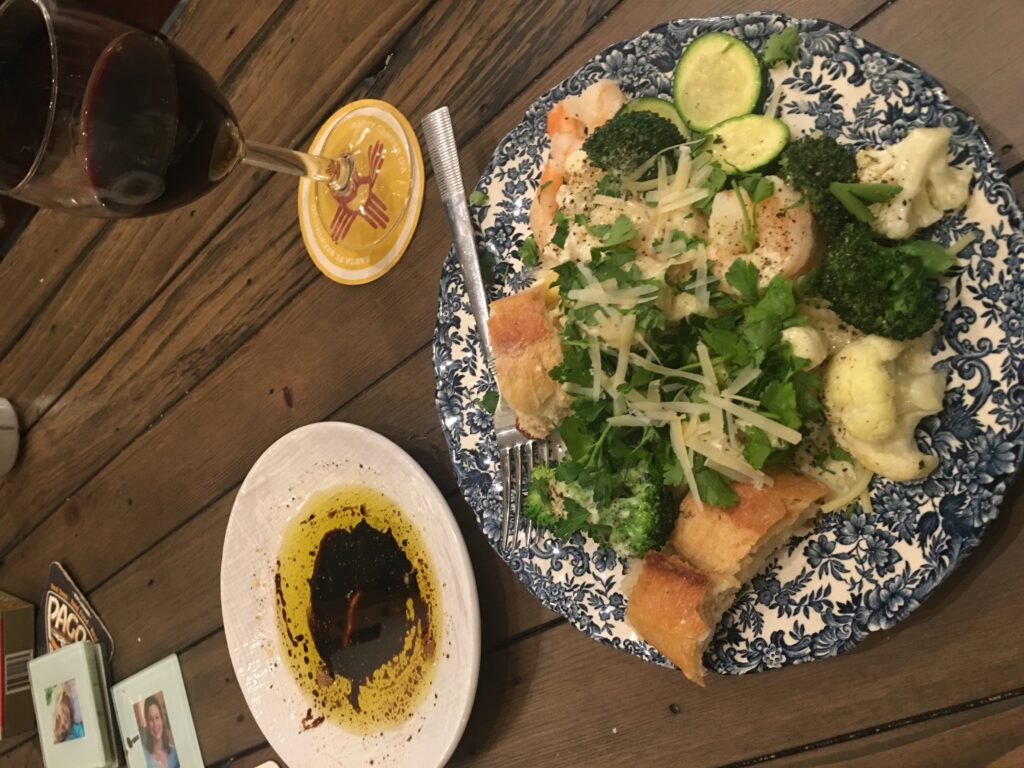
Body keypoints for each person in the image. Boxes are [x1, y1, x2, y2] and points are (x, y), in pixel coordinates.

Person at [141, 695, 180, 768]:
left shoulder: (175, 753)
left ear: (162, 720)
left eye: (157, 717)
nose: (155, 724)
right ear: (147, 723)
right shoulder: (142, 755)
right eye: (151, 719)